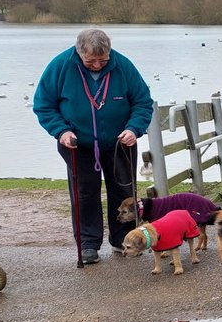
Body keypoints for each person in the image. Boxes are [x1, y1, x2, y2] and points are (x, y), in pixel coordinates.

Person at [33, 28, 154, 265]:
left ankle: (124, 239)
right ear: (79, 53)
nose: (98, 65)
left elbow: (142, 102)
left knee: (124, 192)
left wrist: (134, 128)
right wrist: (61, 131)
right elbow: (44, 105)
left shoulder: (123, 66)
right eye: (91, 61)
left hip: (120, 142)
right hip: (77, 144)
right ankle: (88, 244)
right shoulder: (60, 66)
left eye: (103, 60)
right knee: (84, 194)